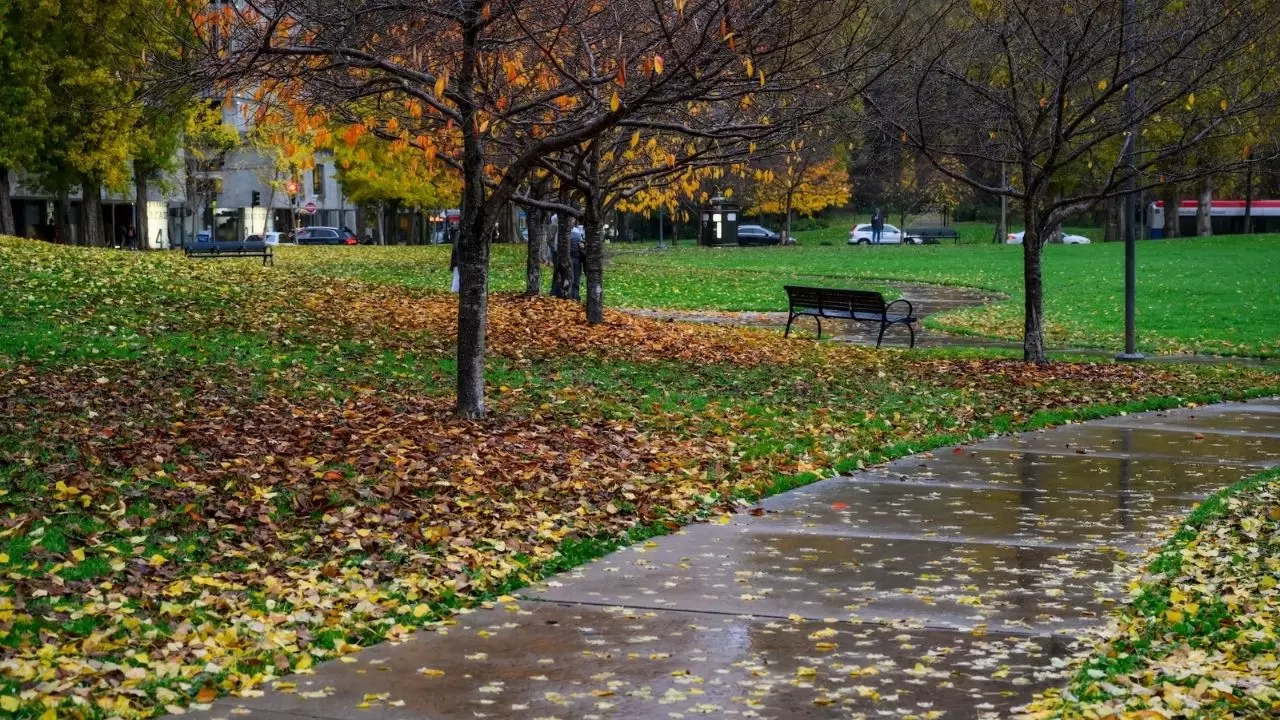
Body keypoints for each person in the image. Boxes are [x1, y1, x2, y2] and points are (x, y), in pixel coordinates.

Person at [569, 219, 586, 301]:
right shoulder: (577, 234)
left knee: (573, 278)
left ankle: (573, 296)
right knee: (574, 278)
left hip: (573, 258)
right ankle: (574, 296)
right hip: (574, 258)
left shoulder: (576, 232)